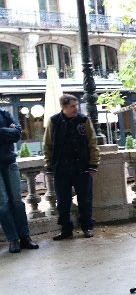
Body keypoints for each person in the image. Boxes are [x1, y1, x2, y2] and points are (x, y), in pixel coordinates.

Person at [43, 94, 100, 240]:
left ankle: (87, 226)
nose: (76, 108)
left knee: (85, 199)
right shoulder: (54, 121)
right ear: (64, 107)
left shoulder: (84, 120)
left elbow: (92, 143)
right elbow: (48, 144)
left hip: (82, 167)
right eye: (72, 106)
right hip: (61, 168)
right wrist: (49, 165)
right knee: (63, 201)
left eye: (76, 105)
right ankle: (66, 229)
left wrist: (93, 164)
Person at [0, 109, 39, 253]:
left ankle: (25, 237)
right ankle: (13, 239)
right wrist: (7, 131)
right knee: (3, 204)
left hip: (10, 162)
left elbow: (17, 134)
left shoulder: (4, 113)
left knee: (17, 201)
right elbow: (13, 132)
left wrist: (2, 131)